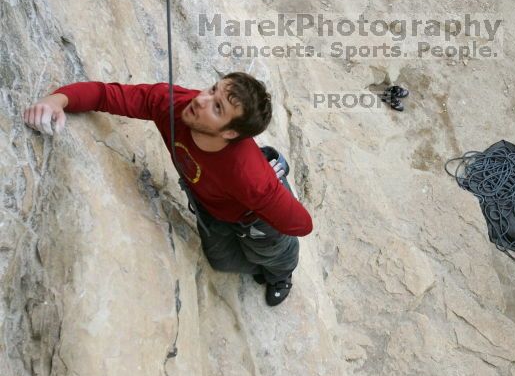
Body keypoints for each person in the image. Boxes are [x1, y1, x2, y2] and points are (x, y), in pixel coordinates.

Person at [22, 73, 313, 306]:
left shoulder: (251, 178)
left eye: (217, 107)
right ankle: (263, 266)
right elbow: (104, 95)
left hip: (253, 216)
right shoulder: (171, 104)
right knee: (221, 261)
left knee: (271, 254)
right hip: (210, 203)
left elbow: (300, 223)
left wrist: (271, 193)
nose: (201, 100)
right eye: (212, 90)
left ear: (230, 133)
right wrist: (55, 100)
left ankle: (281, 276)